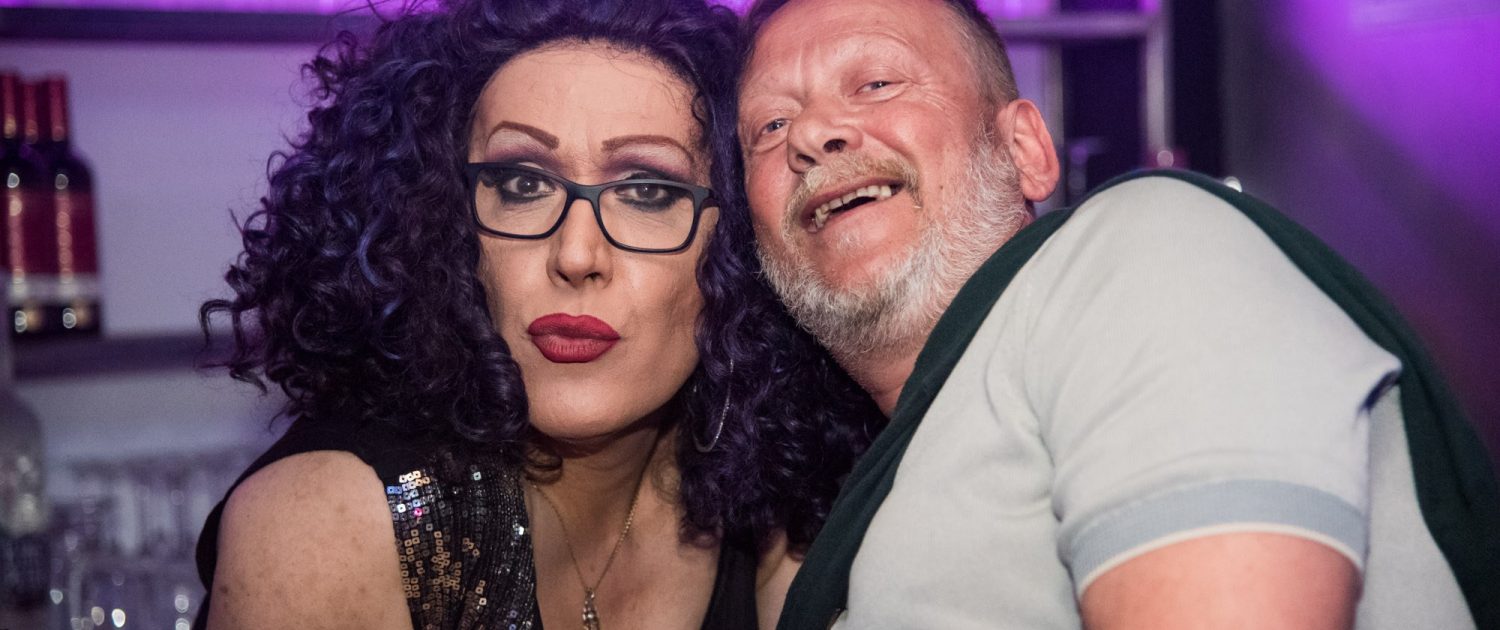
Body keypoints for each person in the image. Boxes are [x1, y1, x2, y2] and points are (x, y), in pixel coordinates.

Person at [736, 0, 1500, 628]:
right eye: (769, 127)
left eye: (876, 83)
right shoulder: (875, 488)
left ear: (1026, 150)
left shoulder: (1141, 247)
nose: (810, 135)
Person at [192, 1, 883, 628]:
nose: (576, 255)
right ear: (441, 223)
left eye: (646, 190)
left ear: (741, 244)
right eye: (522, 183)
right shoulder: (332, 523)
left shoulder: (772, 502)